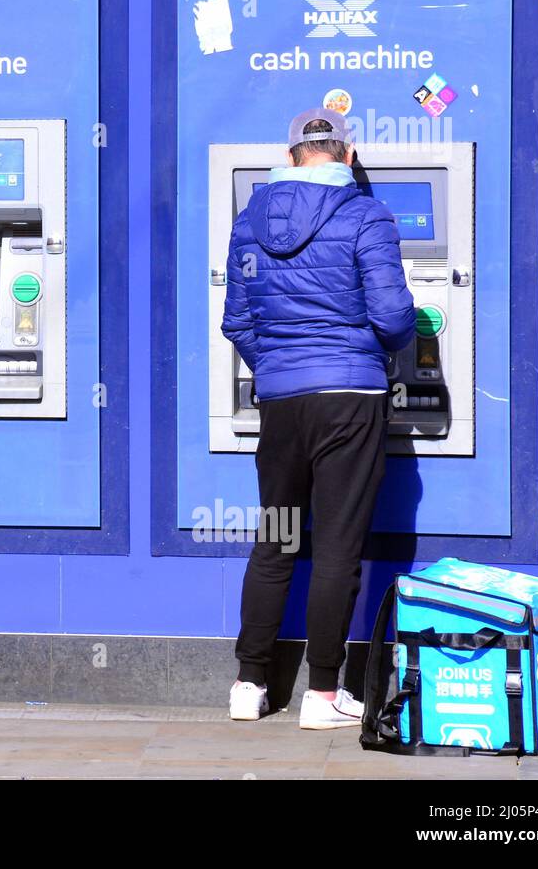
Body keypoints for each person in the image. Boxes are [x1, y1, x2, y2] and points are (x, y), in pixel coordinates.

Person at [221, 108, 415, 729]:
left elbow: (237, 321)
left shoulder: (250, 220)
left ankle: (249, 686)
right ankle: (323, 695)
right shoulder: (366, 215)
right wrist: (371, 351)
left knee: (275, 539)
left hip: (281, 405)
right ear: (348, 156)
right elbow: (392, 317)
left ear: (292, 155)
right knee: (336, 546)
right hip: (349, 402)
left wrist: (278, 365)